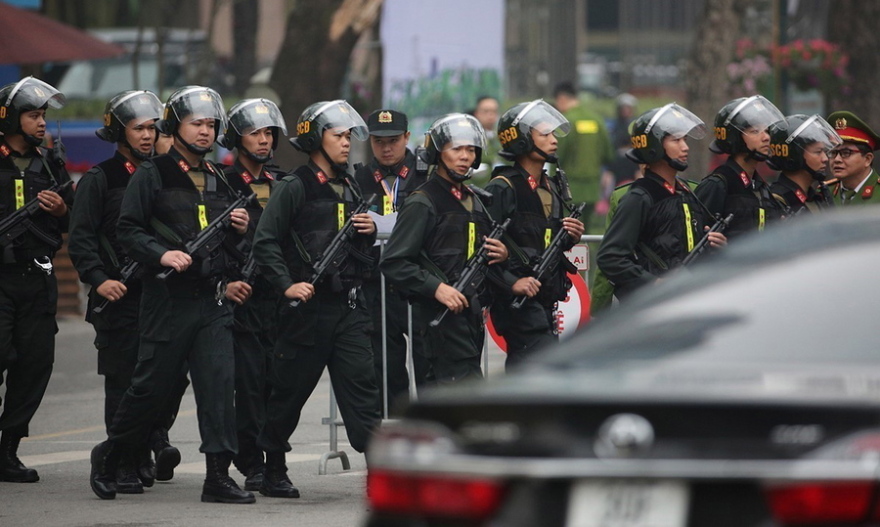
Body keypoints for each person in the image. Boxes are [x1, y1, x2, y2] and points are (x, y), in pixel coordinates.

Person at [89, 85, 255, 504]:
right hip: (167, 301)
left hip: (212, 301)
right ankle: (111, 454)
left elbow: (232, 247)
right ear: (175, 126)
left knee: (218, 387)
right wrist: (161, 254)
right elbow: (128, 230)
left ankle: (217, 477)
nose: (205, 131)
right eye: (196, 123)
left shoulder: (219, 176)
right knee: (150, 388)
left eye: (211, 124)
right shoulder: (153, 173)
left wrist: (240, 231)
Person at [252, 100, 381, 499]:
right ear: (315, 140)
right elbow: (265, 242)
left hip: (348, 308)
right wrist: (286, 285)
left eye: (348, 136)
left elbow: (362, 252)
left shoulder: (351, 186)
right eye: (338, 136)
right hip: (306, 310)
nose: (346, 143)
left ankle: (379, 472)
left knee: (363, 391)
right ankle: (273, 467)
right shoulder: (295, 186)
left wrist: (368, 230)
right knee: (288, 393)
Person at [69, 90, 189, 494]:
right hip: (117, 296)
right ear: (120, 132)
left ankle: (147, 446)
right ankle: (122, 459)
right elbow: (81, 238)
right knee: (123, 381)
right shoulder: (101, 178)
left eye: (153, 128)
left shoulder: (161, 174)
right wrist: (98, 278)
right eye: (139, 128)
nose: (148, 135)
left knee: (167, 378)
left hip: (159, 295)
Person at [380, 113, 508, 385]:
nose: (465, 156)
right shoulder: (423, 202)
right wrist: (436, 288)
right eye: (456, 149)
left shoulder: (473, 201)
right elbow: (394, 262)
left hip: (470, 318)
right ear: (438, 153)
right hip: (438, 318)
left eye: (471, 150)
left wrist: (502, 254)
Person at [0, 76, 72, 484]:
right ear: (11, 118)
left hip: (37, 277)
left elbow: (75, 219)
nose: (41, 122)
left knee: (34, 364)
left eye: (43, 115)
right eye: (32, 115)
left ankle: (8, 450)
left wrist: (61, 210)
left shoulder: (50, 164)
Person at [216, 98, 288, 491]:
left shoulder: (282, 183)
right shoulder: (222, 182)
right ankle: (251, 462)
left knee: (277, 384)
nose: (263, 140)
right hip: (241, 297)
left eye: (268, 133)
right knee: (248, 384)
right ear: (237, 139)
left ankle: (274, 462)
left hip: (279, 298)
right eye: (254, 133)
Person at [484, 100, 584, 369]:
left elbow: (542, 240)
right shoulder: (502, 187)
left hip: (545, 297)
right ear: (522, 140)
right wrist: (512, 282)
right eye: (545, 134)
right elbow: (483, 251)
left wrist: (571, 235)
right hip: (516, 301)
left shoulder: (550, 187)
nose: (554, 140)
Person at [597, 104, 726, 300]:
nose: (685, 147)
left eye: (685, 139)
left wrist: (716, 246)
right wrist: (652, 282)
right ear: (654, 147)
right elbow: (610, 257)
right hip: (653, 305)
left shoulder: (686, 193)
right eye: (676, 140)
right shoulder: (639, 197)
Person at [354, 109, 427, 416]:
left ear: (407, 137)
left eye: (394, 140)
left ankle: (431, 424)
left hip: (418, 283)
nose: (386, 148)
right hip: (377, 285)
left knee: (427, 358)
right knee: (385, 365)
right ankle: (394, 427)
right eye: (379, 141)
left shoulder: (425, 174)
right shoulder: (359, 178)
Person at [695, 95, 786, 239]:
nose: (766, 137)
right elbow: (695, 238)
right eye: (755, 131)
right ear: (735, 138)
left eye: (767, 131)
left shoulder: (761, 188)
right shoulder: (718, 185)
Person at [552, 81, 615, 224]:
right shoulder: (596, 120)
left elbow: (556, 156)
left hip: (568, 189)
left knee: (568, 230)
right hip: (592, 188)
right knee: (587, 230)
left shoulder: (566, 122)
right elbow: (608, 153)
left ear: (561, 99)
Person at [768, 114, 841, 215]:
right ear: (795, 156)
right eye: (818, 152)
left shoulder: (818, 197)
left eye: (824, 152)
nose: (825, 159)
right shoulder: (776, 202)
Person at [826, 111, 880, 205]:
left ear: (867, 159)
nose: (837, 159)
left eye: (846, 153)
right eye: (833, 152)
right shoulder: (825, 193)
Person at [470, 96, 502, 180]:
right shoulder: (470, 139)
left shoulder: (501, 137)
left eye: (494, 111)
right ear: (476, 113)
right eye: (486, 111)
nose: (490, 115)